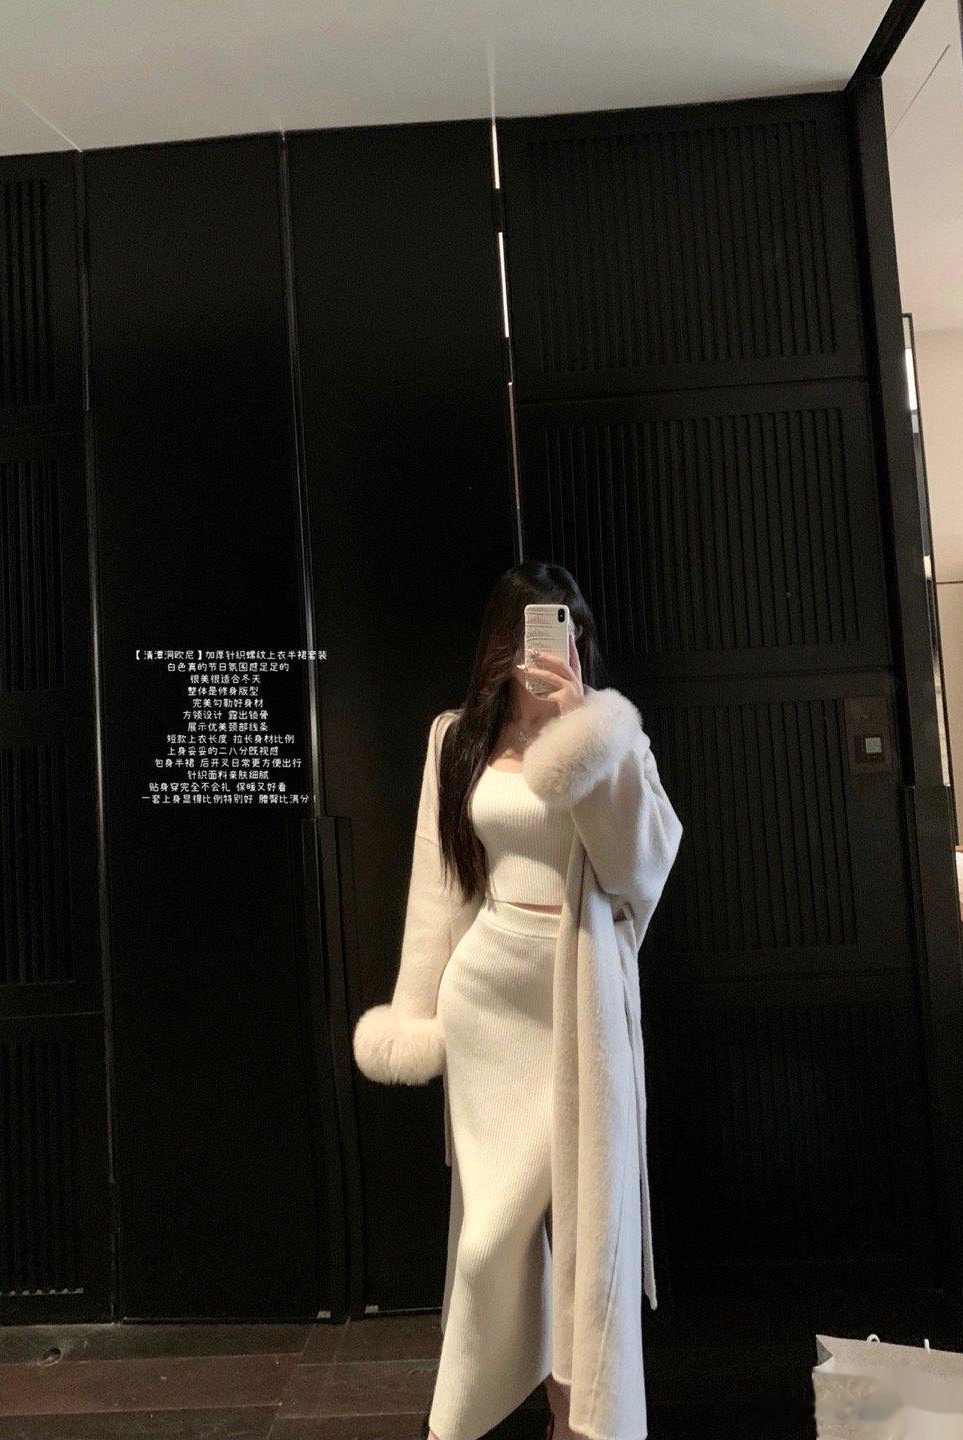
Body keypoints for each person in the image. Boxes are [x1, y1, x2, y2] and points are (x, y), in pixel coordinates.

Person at [353, 560, 684, 1440]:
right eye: (535, 632)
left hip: (578, 1001)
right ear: (501, 645)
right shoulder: (455, 739)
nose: (550, 651)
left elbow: (641, 866)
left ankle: (576, 1415)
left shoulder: (610, 736)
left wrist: (583, 735)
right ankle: (467, 1412)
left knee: (584, 1232)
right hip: (488, 1002)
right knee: (491, 1237)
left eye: (567, 631)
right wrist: (416, 1012)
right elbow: (439, 882)